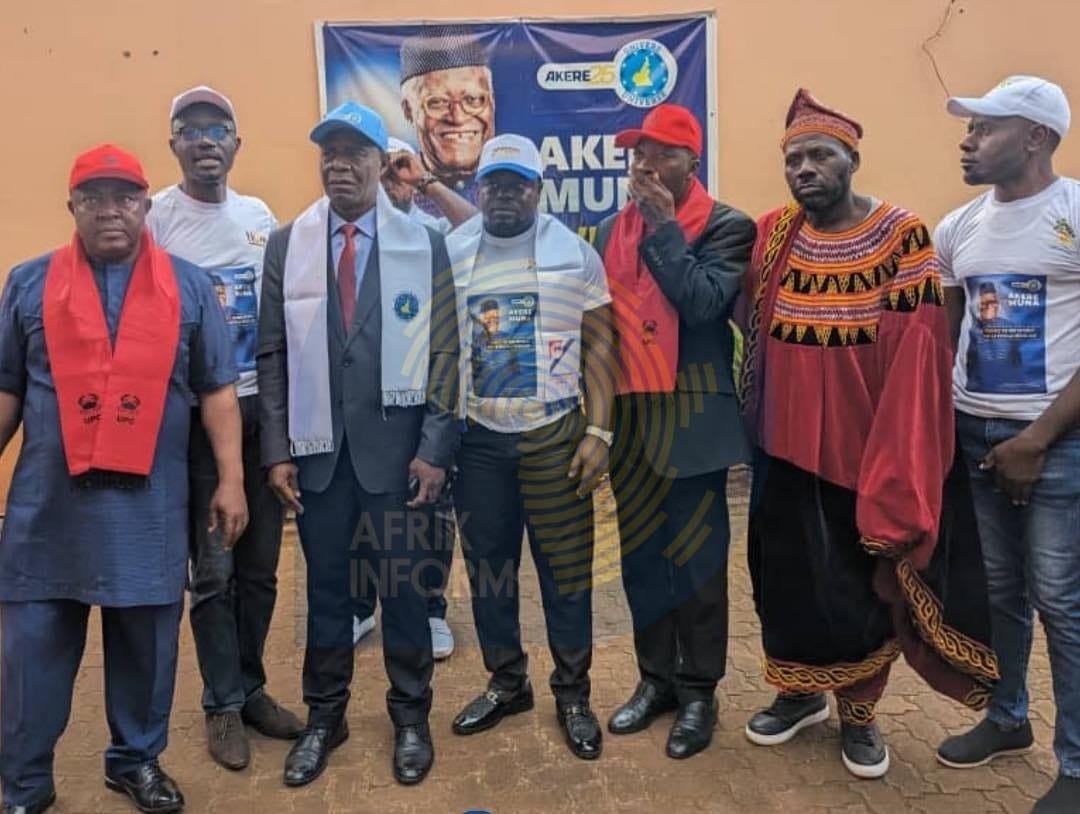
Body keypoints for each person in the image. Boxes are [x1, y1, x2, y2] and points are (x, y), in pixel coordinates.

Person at [738, 89, 999, 780]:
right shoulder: (773, 235)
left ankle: (859, 713)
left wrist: (898, 467)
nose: (804, 169)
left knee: (859, 592)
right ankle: (798, 694)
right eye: (793, 158)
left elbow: (918, 358)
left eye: (820, 155)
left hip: (863, 456)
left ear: (852, 159)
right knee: (784, 581)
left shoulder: (900, 235)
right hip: (780, 450)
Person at [0, 144, 245, 814]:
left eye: (125, 197)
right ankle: (25, 782)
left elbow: (217, 389)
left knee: (146, 646)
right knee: (31, 652)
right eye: (93, 198)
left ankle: (135, 762)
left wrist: (231, 480)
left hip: (149, 506)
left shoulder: (189, 286)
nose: (110, 211)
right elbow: (8, 388)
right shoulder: (28, 283)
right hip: (49, 509)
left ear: (145, 205)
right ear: (72, 207)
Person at [257, 101, 459, 787]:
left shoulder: (423, 244)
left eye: (354, 154)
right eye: (329, 154)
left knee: (404, 594)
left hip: (398, 458)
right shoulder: (288, 245)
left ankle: (411, 716)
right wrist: (277, 449)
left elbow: (445, 351)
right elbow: (272, 354)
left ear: (380, 163)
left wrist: (435, 446)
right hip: (318, 457)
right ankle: (325, 717)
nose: (339, 165)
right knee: (325, 594)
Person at [934, 75, 1080, 814]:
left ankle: (1077, 764)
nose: (968, 141)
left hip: (1059, 442)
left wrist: (1039, 437)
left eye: (985, 128)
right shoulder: (956, 227)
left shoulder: (1074, 213)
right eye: (970, 128)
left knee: (1061, 598)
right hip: (975, 435)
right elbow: (947, 337)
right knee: (999, 592)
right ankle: (1007, 716)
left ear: (1036, 137)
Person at [147, 84, 303, 772]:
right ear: (174, 144)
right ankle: (221, 704)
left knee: (262, 569)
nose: (206, 140)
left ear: (237, 144)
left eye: (218, 129)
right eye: (192, 129)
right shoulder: (155, 218)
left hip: (259, 412)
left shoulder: (258, 216)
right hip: (197, 422)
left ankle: (251, 688)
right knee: (214, 572)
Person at [444, 134, 614, 760]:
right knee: (489, 569)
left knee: (565, 572)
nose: (505, 195)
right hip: (479, 438)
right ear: (478, 188)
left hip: (553, 434)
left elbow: (600, 344)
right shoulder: (453, 251)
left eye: (518, 184)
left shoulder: (574, 253)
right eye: (494, 183)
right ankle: (507, 682)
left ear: (538, 190)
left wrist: (599, 431)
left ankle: (573, 693)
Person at [594, 104, 756, 760]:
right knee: (642, 562)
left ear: (693, 161)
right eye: (639, 153)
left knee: (697, 566)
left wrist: (663, 225)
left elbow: (703, 302)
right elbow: (600, 327)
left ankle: (699, 692)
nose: (646, 164)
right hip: (631, 420)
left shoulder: (727, 226)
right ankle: (655, 680)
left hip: (691, 421)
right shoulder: (610, 228)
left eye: (662, 152)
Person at [350, 135, 478, 657]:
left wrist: (425, 179)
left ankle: (430, 610)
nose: (389, 182)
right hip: (365, 403)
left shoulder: (432, 233)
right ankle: (361, 608)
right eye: (380, 172)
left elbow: (478, 228)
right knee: (360, 512)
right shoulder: (344, 234)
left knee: (429, 509)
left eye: (396, 171)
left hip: (428, 400)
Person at [399, 29, 494, 216]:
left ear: (492, 103)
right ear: (408, 110)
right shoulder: (394, 192)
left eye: (473, 99)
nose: (458, 118)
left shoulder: (515, 185)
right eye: (437, 102)